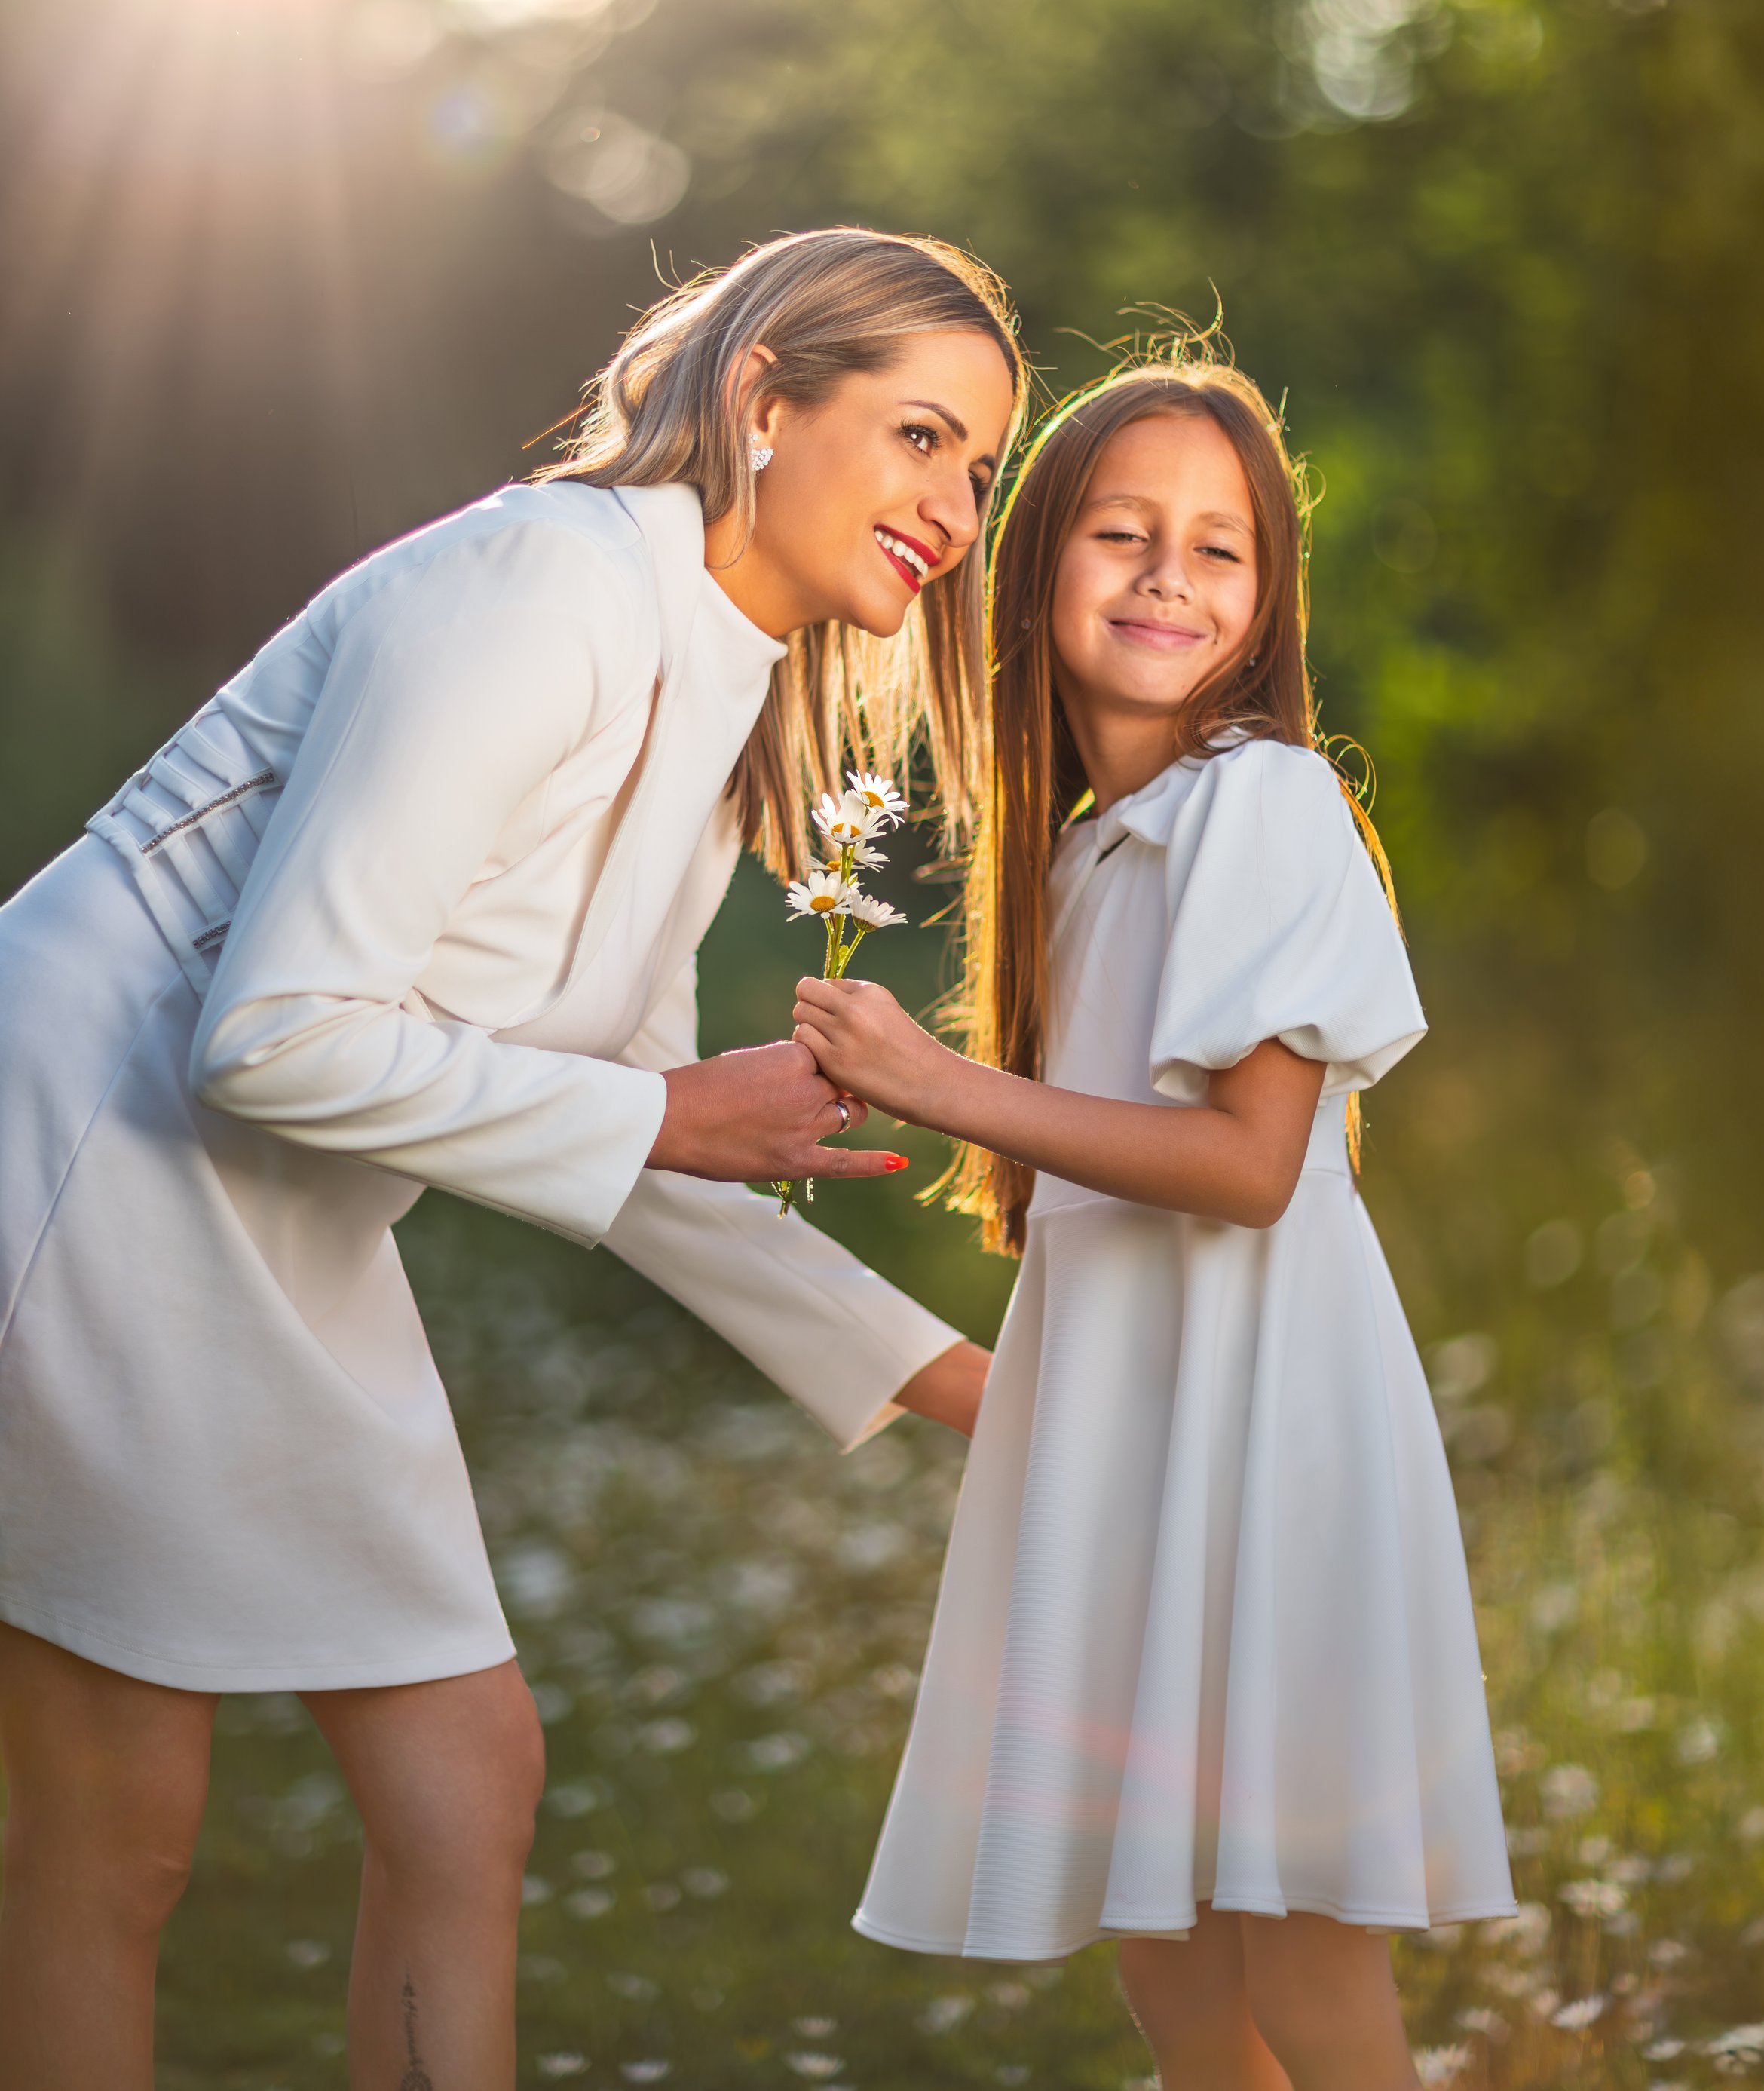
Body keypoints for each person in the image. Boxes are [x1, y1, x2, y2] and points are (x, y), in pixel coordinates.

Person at [0, 228, 1019, 2090]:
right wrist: (661, 1114)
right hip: (80, 1157)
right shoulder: (536, 588)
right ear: (764, 402)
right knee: (117, 1824)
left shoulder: (721, 701)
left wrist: (985, 1390)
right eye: (921, 437)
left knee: (462, 1781)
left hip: (271, 1205)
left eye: (981, 467)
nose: (955, 506)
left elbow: (634, 1134)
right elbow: (270, 1030)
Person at [793, 357, 1514, 2090]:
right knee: (1174, 1966)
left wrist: (936, 1080)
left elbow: (1248, 1164)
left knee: (1300, 1967)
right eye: (1121, 533)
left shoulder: (1257, 800)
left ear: (1265, 604)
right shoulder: (1090, 851)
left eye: (1219, 550)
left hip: (1263, 1439)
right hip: (1146, 1443)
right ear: (1035, 566)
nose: (1165, 577)